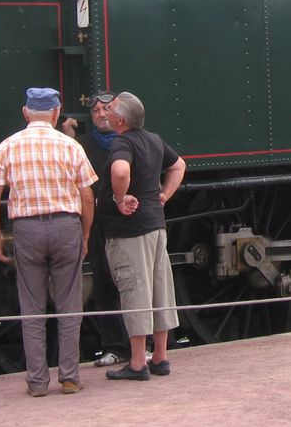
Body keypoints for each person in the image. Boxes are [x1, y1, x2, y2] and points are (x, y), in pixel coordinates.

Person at [0, 88, 97, 397]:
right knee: (70, 305)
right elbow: (87, 195)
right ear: (56, 113)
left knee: (31, 308)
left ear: (25, 112)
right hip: (65, 227)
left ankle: (37, 382)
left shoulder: (7, 146)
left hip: (27, 229)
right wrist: (85, 234)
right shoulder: (70, 146)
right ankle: (70, 377)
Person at [98, 91, 184, 382]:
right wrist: (164, 196)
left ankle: (137, 362)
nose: (105, 113)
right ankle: (160, 356)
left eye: (110, 110)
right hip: (155, 225)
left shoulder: (122, 142)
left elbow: (120, 170)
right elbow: (178, 165)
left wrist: (119, 198)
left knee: (135, 290)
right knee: (160, 289)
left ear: (120, 119)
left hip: (130, 231)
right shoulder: (154, 139)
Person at [61, 92, 131, 367]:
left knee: (131, 284)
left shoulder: (130, 141)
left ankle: (140, 343)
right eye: (97, 111)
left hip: (127, 220)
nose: (102, 115)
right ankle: (114, 345)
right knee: (103, 282)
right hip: (101, 220)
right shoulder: (83, 145)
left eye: (106, 109)